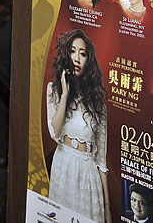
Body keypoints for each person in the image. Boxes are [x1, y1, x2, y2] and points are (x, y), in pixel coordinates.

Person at [46, 29, 111, 222]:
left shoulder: (98, 103)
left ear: (88, 61)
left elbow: (101, 161)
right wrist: (65, 95)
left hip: (88, 175)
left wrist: (107, 208)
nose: (76, 58)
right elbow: (54, 132)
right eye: (72, 51)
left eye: (82, 54)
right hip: (63, 167)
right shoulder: (54, 91)